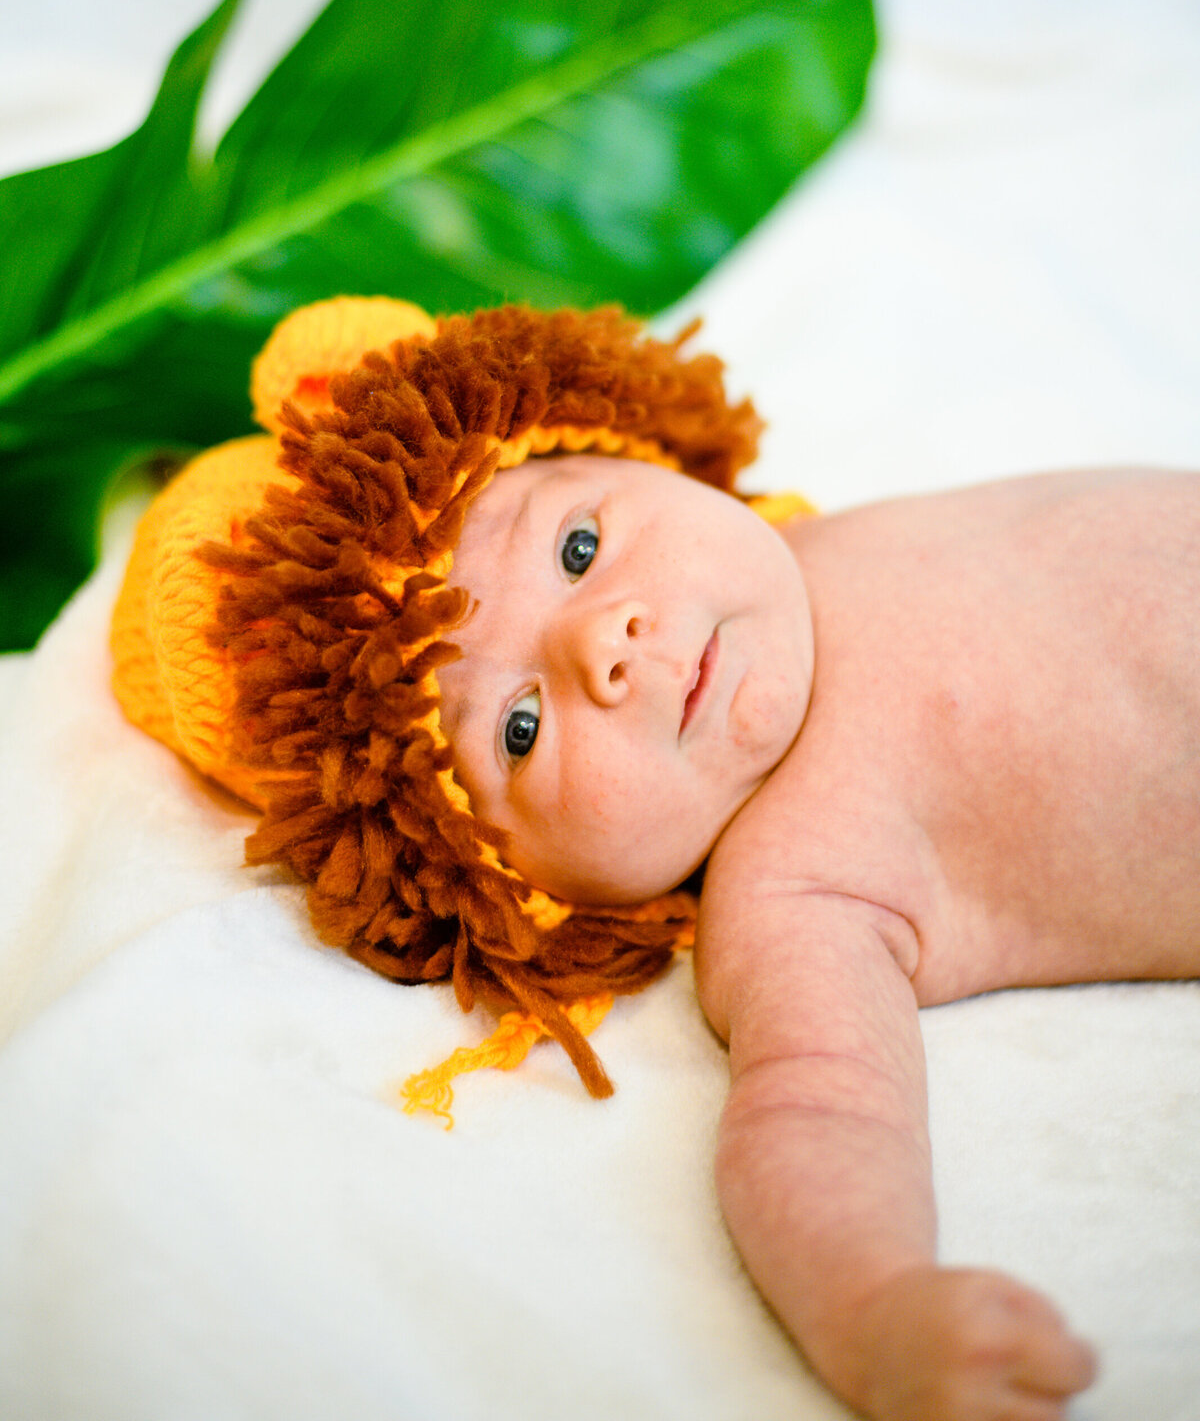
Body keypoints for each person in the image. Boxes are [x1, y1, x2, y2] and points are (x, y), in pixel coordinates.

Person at [112, 297, 1200, 1421]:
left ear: (631, 448)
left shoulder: (797, 539)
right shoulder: (799, 888)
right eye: (518, 729)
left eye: (578, 548)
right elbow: (819, 1117)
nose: (605, 643)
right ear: (513, 884)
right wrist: (879, 1310)